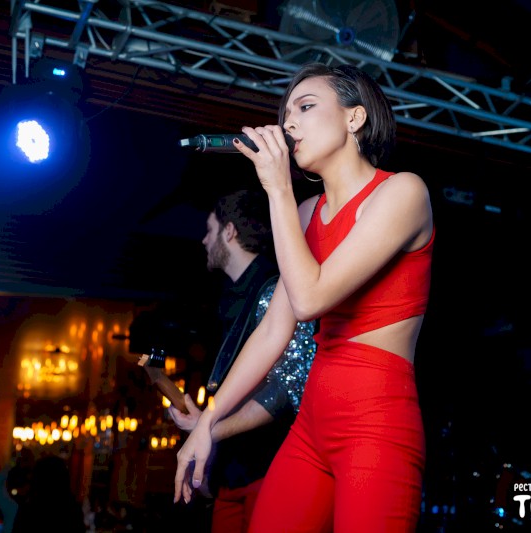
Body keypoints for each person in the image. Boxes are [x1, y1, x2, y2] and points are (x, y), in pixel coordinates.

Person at [174, 62, 435, 532]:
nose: (288, 123)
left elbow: (311, 300)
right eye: (285, 113)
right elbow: (274, 329)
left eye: (305, 107)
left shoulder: (403, 192)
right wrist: (209, 421)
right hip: (312, 422)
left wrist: (277, 188)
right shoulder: (307, 211)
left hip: (376, 423)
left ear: (354, 117)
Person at [168, 189, 317, 533]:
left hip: (268, 469)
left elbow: (287, 388)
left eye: (210, 230)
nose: (204, 240)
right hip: (231, 474)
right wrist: (205, 427)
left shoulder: (273, 286)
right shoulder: (228, 296)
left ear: (230, 231)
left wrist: (207, 429)